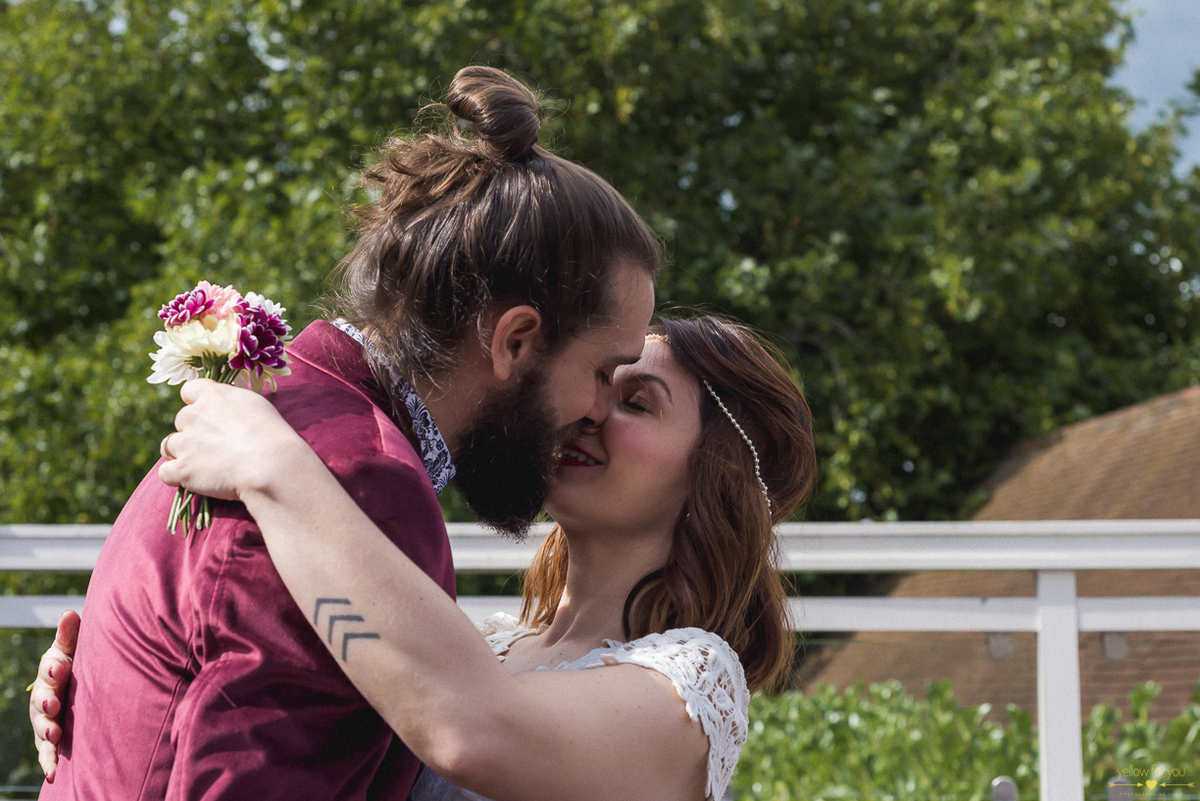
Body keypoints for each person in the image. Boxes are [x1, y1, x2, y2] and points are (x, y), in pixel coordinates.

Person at [30, 65, 660, 800]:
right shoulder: (359, 488)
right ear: (515, 340)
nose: (597, 407)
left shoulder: (279, 411)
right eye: (603, 368)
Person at [33, 315, 817, 801]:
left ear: (709, 477)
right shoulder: (481, 642)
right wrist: (116, 689)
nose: (589, 410)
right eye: (599, 382)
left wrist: (277, 463)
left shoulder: (693, 683)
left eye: (638, 401)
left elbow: (470, 729)